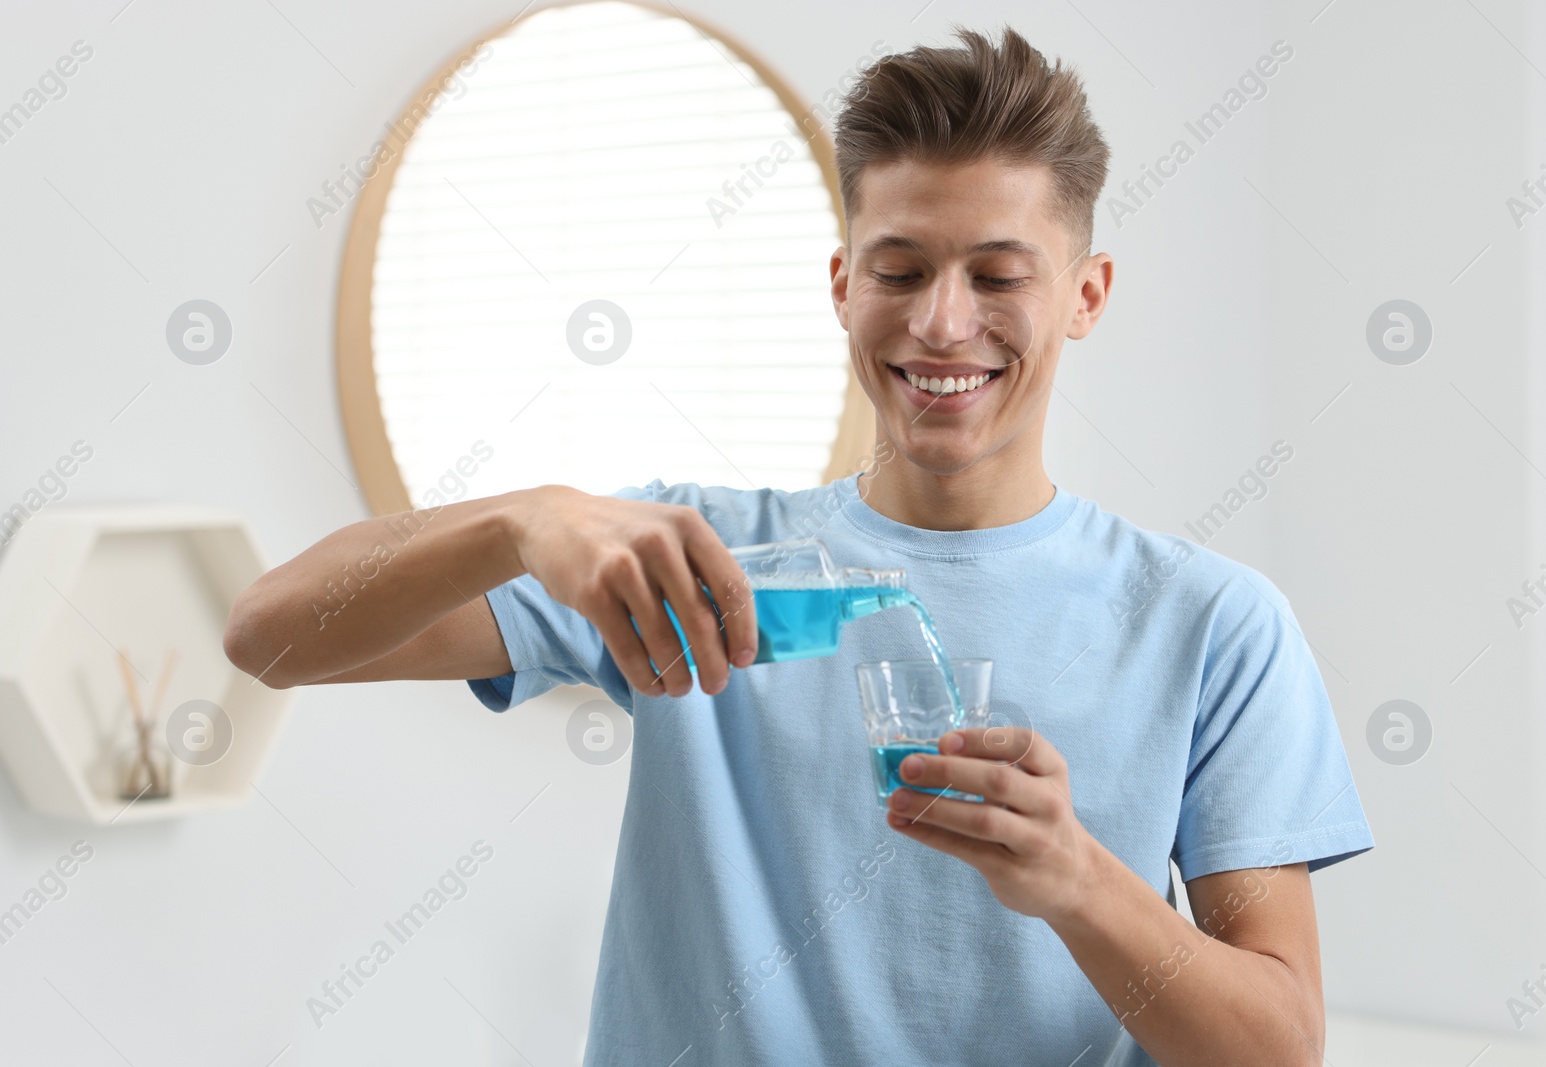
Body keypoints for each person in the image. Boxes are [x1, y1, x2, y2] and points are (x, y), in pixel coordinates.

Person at [225, 24, 1372, 1067]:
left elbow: (1277, 1047)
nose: (939, 321)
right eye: (900, 268)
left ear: (1086, 293)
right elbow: (271, 636)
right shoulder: (691, 562)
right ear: (841, 285)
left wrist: (1076, 879)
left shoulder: (1213, 625)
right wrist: (523, 516)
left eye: (999, 273)